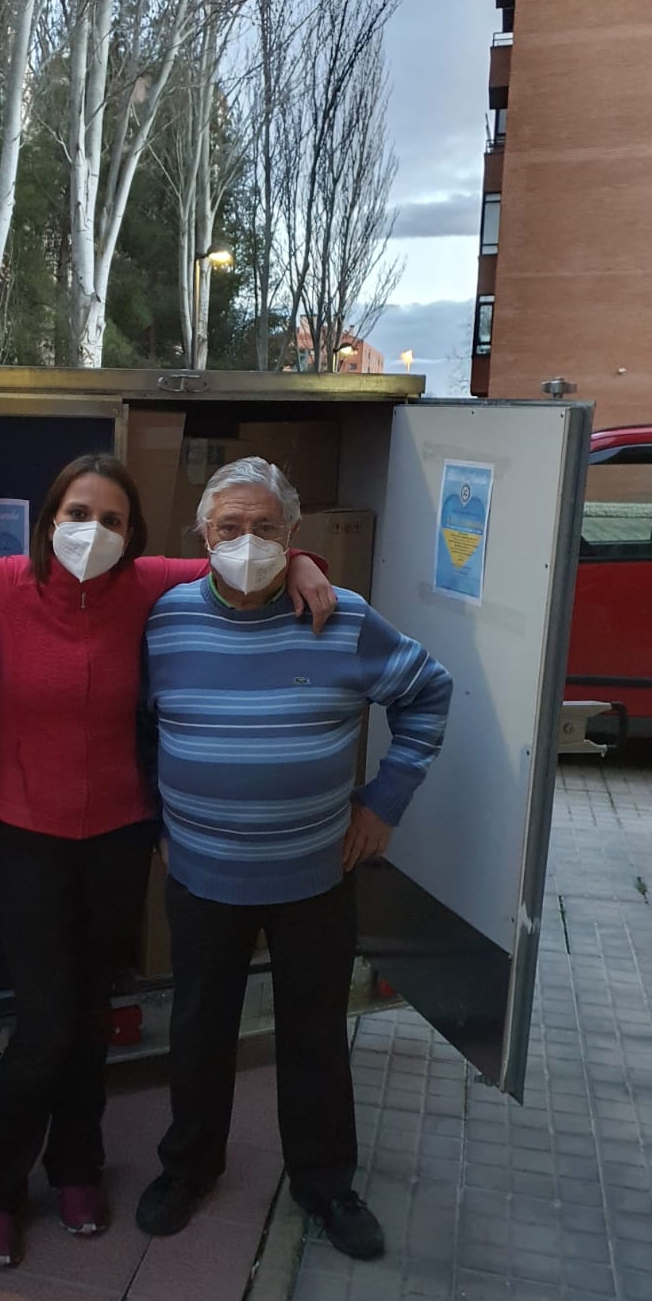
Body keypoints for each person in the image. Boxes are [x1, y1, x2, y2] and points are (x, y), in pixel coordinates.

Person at [0, 449, 337, 1270]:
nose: (92, 532)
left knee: (87, 1017)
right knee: (44, 1025)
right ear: (48, 523)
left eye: (111, 520)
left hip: (119, 836)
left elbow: (239, 546)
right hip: (26, 836)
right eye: (77, 515)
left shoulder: (146, 585)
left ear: (134, 535)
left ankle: (76, 1164)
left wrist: (303, 562)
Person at [135, 456, 452, 1260]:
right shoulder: (165, 620)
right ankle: (189, 1168)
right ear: (203, 535)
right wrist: (157, 822)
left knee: (312, 1034)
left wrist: (384, 803)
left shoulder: (340, 618)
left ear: (295, 536)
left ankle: (325, 1184)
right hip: (201, 875)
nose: (248, 543)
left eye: (267, 529)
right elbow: (138, 729)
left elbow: (429, 693)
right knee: (200, 1029)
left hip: (314, 875)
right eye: (230, 528)